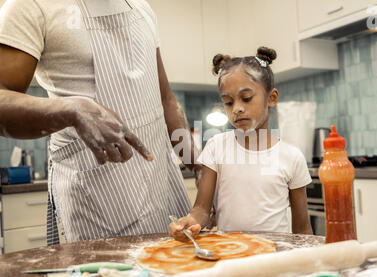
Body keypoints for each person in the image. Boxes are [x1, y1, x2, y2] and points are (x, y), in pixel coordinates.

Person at [0, 0, 201, 244]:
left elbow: (166, 98)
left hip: (162, 187)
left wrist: (198, 165)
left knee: (173, 275)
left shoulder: (140, 8)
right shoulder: (31, 5)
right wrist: (71, 109)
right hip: (100, 198)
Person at [169, 47, 313, 241]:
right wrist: (190, 221)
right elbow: (201, 209)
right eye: (228, 102)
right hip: (231, 255)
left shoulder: (291, 157)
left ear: (272, 98)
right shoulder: (216, 147)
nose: (237, 109)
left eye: (246, 98)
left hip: (274, 257)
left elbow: (302, 230)